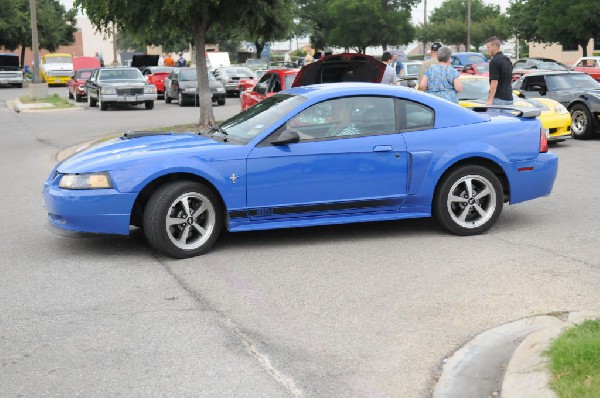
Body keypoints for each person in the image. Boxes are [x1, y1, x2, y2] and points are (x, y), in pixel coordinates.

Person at [485, 36, 513, 105]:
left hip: (498, 99)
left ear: (494, 46)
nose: (487, 50)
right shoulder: (507, 60)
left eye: (488, 47)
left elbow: (494, 81)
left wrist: (490, 100)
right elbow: (510, 79)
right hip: (509, 98)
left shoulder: (494, 61)